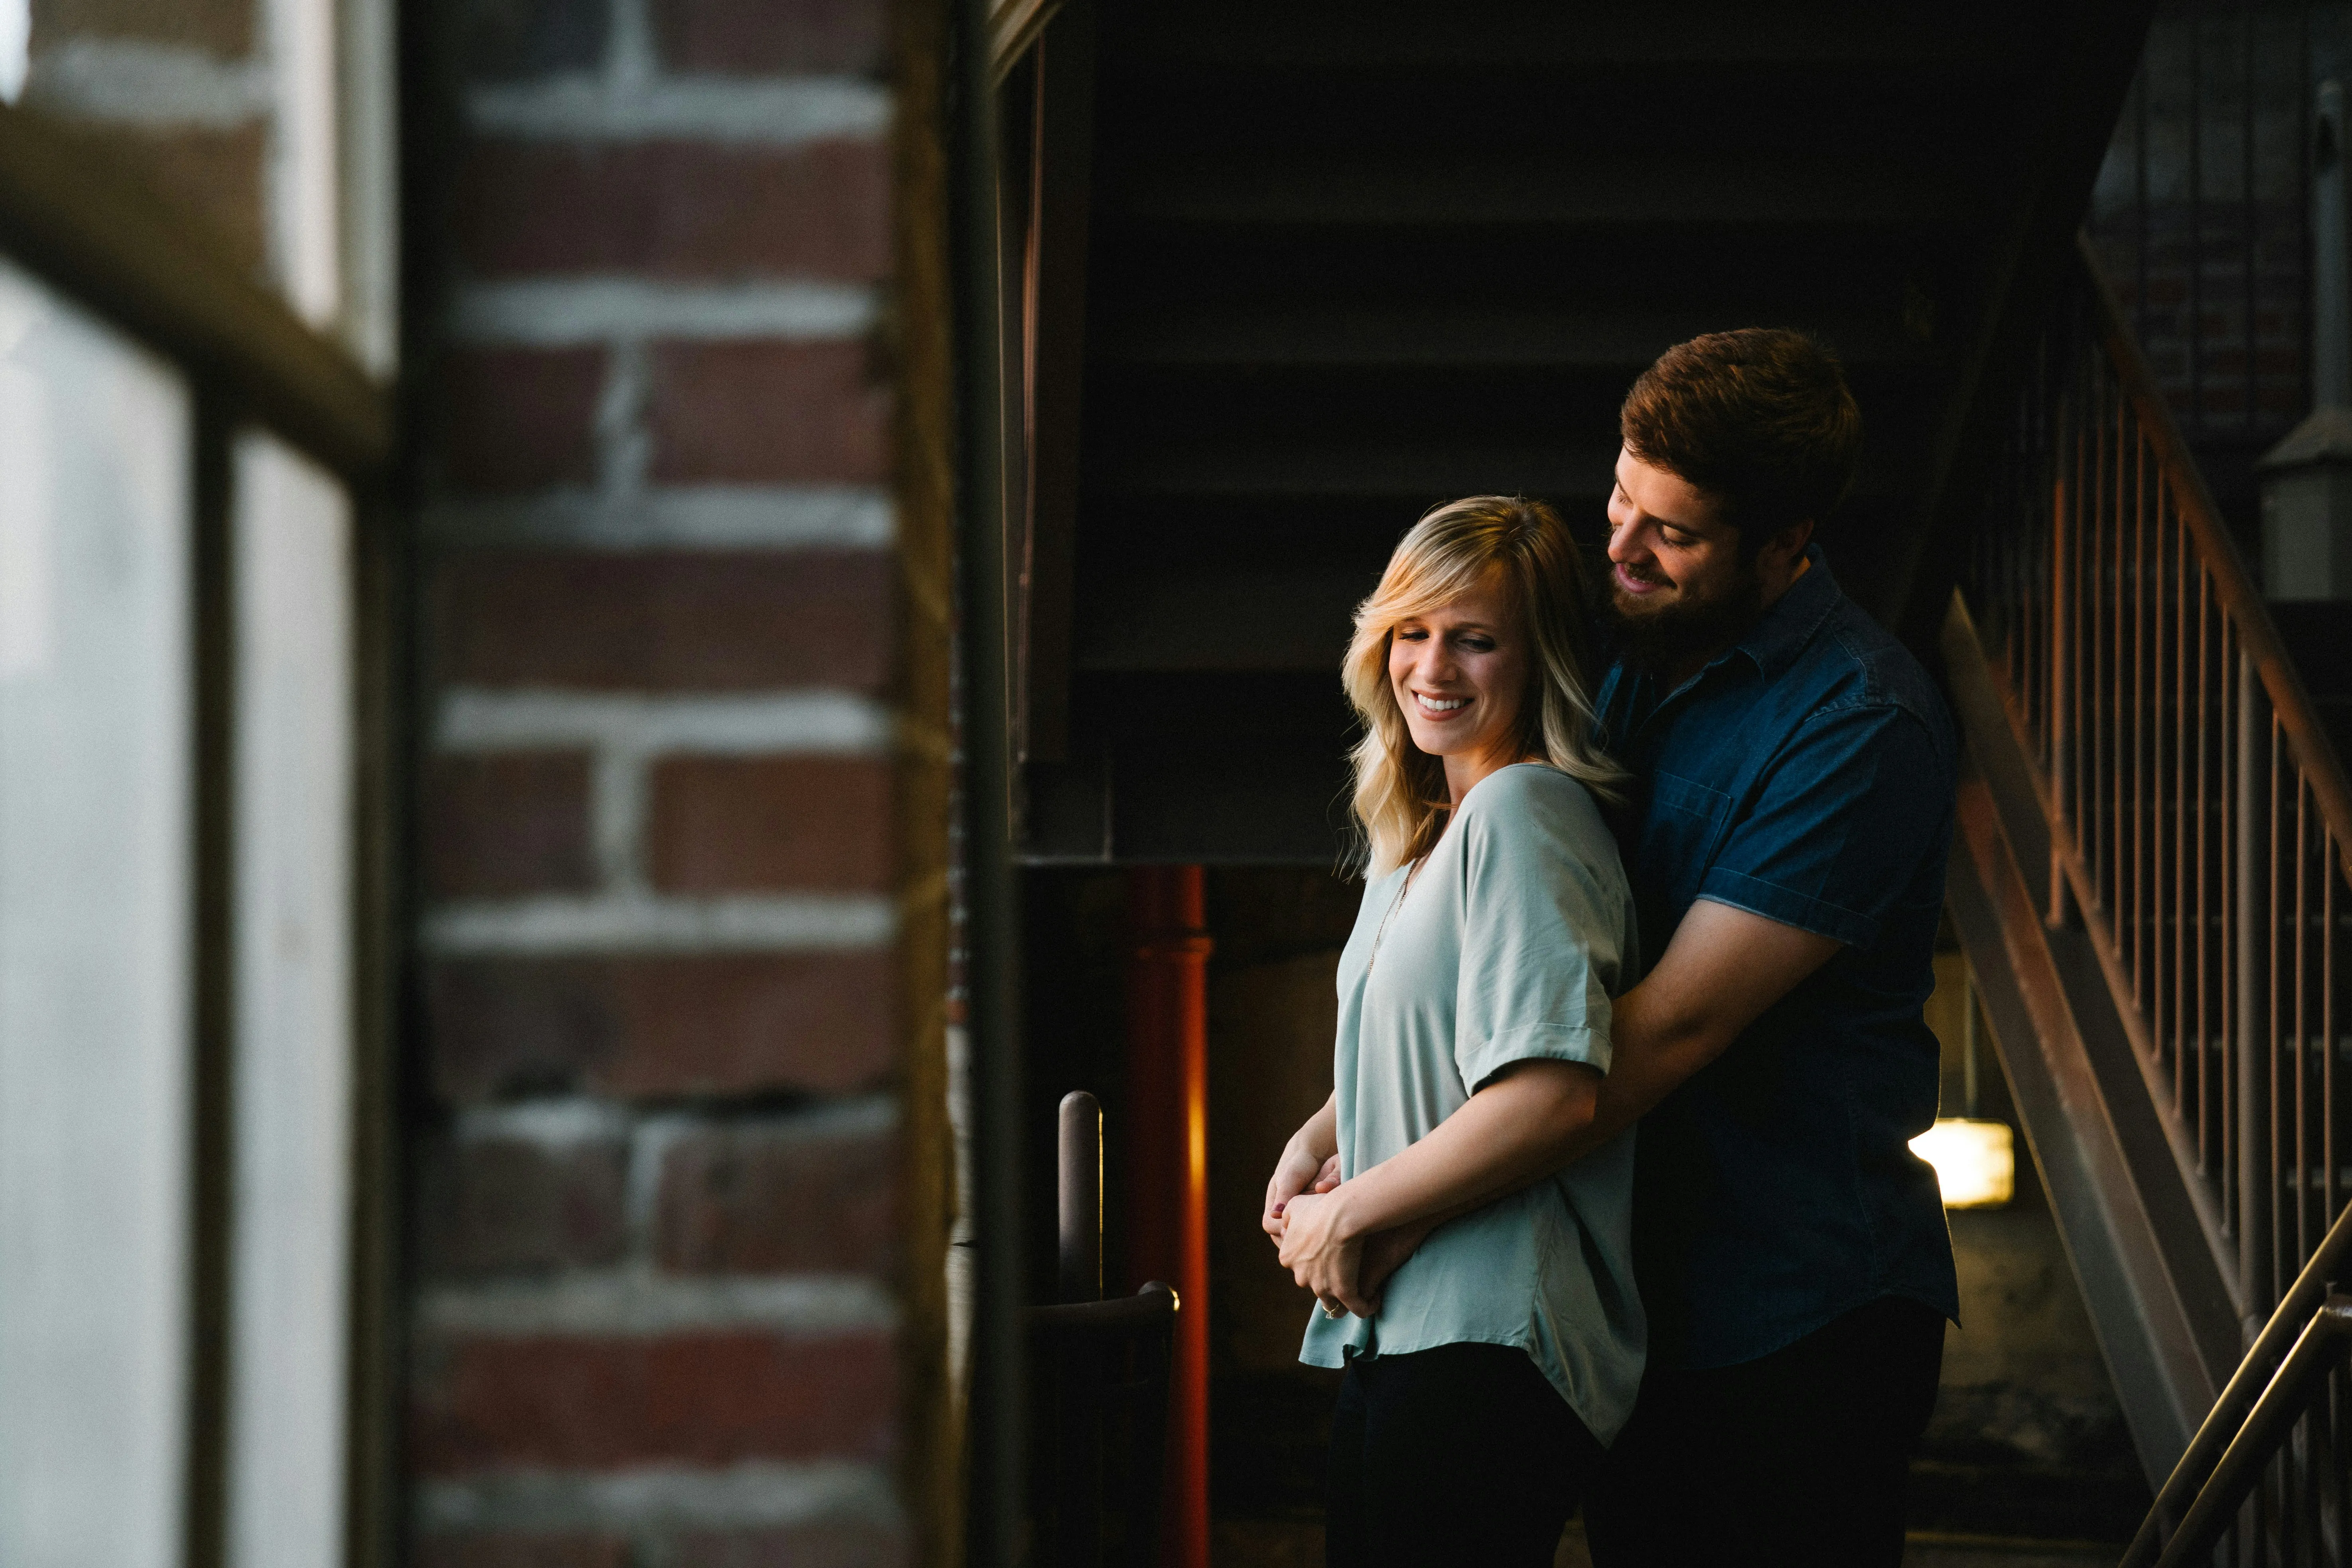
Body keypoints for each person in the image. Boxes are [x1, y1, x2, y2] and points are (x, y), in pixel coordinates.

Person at [1306, 331, 1957, 1565]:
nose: (1620, 545)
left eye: (1674, 531)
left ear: (1786, 543)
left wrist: (1384, 1204)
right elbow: (1495, 963)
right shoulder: (1610, 652)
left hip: (1788, 1312)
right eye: (1620, 497)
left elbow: (1652, 1034)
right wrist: (1345, 1127)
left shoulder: (1860, 724)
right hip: (1622, 1286)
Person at [1261, 495, 1643, 1568]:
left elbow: (1548, 1091)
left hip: (1492, 1338)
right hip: (1409, 1330)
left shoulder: (1529, 815)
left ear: (1538, 658)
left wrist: (1352, 1215)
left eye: (1475, 639)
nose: (1434, 666)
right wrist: (1316, 1141)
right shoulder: (1420, 842)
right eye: (1413, 632)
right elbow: (1437, 1043)